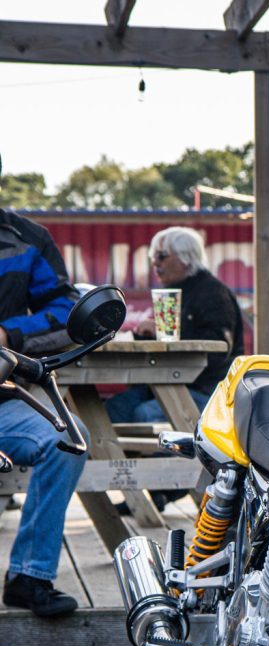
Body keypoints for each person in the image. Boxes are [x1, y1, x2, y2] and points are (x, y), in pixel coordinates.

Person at [0, 156, 88, 615]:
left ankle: (29, 575)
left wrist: (8, 334)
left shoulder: (27, 238)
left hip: (3, 400)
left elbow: (67, 312)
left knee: (67, 438)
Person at [106, 226, 244, 423]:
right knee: (114, 408)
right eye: (153, 257)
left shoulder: (213, 293)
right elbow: (169, 338)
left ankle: (174, 446)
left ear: (185, 258)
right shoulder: (175, 291)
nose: (155, 262)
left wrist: (161, 331)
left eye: (161, 256)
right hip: (168, 383)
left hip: (209, 391)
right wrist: (144, 335)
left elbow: (218, 349)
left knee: (145, 413)